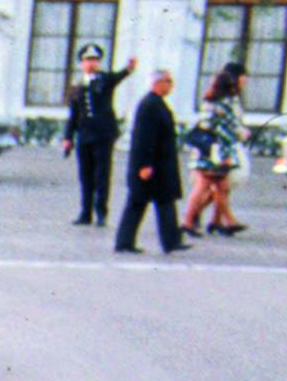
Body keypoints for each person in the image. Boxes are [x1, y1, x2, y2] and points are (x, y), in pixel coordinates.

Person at [115, 69, 193, 253]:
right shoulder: (150, 105)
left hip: (161, 164)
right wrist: (145, 164)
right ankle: (124, 242)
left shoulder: (158, 103)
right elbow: (143, 138)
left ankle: (171, 241)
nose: (172, 85)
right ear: (158, 82)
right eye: (168, 81)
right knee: (137, 202)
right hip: (151, 165)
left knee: (165, 201)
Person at [61, 43, 136, 227]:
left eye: (95, 60)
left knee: (102, 175)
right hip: (84, 136)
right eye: (88, 60)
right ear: (81, 63)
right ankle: (85, 213)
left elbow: (119, 76)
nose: (92, 63)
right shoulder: (77, 87)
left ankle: (101, 212)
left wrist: (129, 68)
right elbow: (73, 115)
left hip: (103, 135)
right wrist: (68, 137)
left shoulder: (105, 79)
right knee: (85, 175)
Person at [181, 61, 250, 237]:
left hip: (205, 150)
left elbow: (207, 125)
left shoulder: (208, 101)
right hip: (219, 152)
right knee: (211, 186)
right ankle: (190, 220)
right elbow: (229, 130)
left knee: (217, 186)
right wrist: (241, 136)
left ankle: (219, 221)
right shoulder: (226, 104)